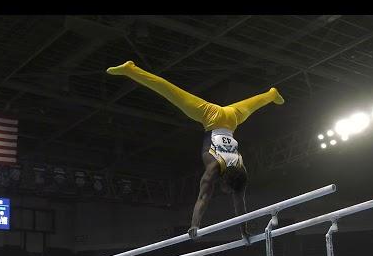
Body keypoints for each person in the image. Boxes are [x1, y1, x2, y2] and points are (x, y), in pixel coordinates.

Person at [106, 61, 284, 241]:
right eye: (227, 190)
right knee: (170, 91)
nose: (227, 192)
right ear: (223, 180)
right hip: (211, 116)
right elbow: (203, 198)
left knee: (254, 103)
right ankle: (131, 69)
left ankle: (271, 94)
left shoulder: (240, 170)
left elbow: (240, 203)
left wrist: (244, 230)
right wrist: (195, 224)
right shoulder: (213, 168)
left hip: (232, 117)